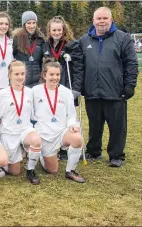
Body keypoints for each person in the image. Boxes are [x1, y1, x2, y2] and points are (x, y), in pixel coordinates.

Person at [78, 7, 138, 167]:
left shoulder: (123, 38)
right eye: (99, 18)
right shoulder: (84, 40)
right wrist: (80, 86)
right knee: (94, 124)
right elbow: (79, 66)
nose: (102, 21)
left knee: (117, 125)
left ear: (111, 20)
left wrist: (130, 85)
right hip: (92, 91)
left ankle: (116, 155)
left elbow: (131, 63)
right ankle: (94, 151)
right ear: (93, 21)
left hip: (115, 91)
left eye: (105, 18)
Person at [32, 60, 85, 183]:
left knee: (77, 138)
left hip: (61, 132)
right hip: (44, 135)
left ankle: (70, 171)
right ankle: (42, 155)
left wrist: (72, 125)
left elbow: (71, 115)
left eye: (57, 75)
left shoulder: (66, 93)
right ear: (44, 75)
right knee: (53, 170)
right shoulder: (35, 91)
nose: (55, 78)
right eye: (51, 74)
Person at [42, 16, 84, 161]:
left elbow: (79, 68)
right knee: (54, 114)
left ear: (64, 29)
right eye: (54, 30)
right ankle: (54, 145)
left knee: (68, 116)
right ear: (49, 31)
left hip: (68, 85)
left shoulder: (72, 45)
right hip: (52, 86)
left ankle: (67, 149)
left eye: (59, 29)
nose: (57, 32)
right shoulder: (46, 45)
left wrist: (77, 88)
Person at [0, 60, 42, 184]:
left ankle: (30, 170)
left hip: (25, 130)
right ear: (9, 75)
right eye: (16, 74)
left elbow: (32, 114)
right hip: (9, 133)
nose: (20, 77)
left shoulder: (29, 92)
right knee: (15, 172)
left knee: (36, 140)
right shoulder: (2, 94)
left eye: (22, 74)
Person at [13, 11, 45, 88]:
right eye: (29, 23)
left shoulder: (41, 39)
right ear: (24, 24)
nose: (32, 26)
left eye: (34, 23)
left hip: (37, 83)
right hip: (21, 81)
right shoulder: (17, 38)